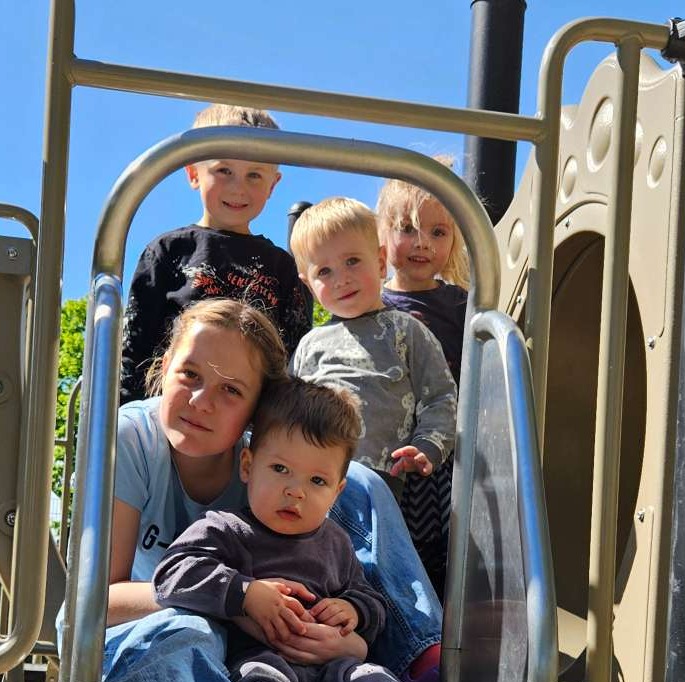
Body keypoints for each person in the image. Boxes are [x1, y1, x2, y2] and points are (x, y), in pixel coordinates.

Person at [99, 299, 443, 682]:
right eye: (188, 375)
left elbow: (342, 573)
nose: (201, 401)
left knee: (362, 482)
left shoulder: (281, 469)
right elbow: (93, 602)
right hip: (158, 640)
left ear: (255, 415)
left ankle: (422, 664)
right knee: (191, 626)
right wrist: (236, 598)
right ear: (163, 368)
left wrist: (351, 635)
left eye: (231, 391)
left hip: (285, 653)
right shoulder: (137, 438)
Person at [152, 378, 501, 682]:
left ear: (337, 491)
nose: (295, 490)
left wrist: (352, 610)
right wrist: (246, 593)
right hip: (261, 658)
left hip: (333, 669)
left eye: (317, 480)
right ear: (247, 465)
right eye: (280, 469)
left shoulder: (335, 542)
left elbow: (371, 602)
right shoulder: (226, 529)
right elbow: (171, 574)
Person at [119, 104, 311, 405]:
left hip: (248, 419)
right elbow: (134, 349)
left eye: (254, 175)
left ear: (273, 184)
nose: (238, 188)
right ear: (193, 173)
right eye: (224, 170)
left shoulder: (281, 267)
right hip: (171, 412)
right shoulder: (168, 252)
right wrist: (124, 416)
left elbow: (295, 360)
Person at [289, 197, 457, 495]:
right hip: (311, 479)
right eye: (324, 272)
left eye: (352, 261)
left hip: (382, 480)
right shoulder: (309, 345)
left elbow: (441, 396)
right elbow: (285, 408)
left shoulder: (405, 330)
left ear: (380, 263)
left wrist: (428, 445)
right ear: (309, 285)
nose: (341, 279)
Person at [376, 174, 470, 600]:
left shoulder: (462, 304)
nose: (422, 243)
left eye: (438, 232)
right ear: (382, 234)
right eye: (407, 229)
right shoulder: (373, 304)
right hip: (391, 451)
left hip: (445, 453)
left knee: (440, 551)